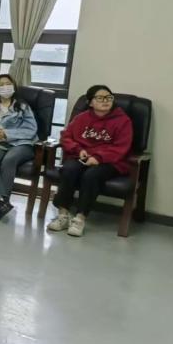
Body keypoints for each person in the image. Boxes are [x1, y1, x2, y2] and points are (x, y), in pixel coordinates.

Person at [47, 85, 133, 238]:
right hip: (81, 156)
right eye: (100, 98)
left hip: (109, 161)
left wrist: (98, 158)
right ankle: (63, 215)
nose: (105, 101)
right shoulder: (81, 118)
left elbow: (121, 147)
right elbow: (66, 137)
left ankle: (80, 218)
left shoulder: (123, 121)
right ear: (90, 102)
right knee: (68, 169)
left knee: (91, 175)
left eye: (108, 97)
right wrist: (78, 150)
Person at [0, 74, 38, 220]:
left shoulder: (22, 107)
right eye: (1, 84)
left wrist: (7, 134)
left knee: (9, 159)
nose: (5, 87)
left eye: (8, 83)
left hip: (21, 144)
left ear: (13, 86)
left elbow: (31, 130)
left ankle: (3, 202)